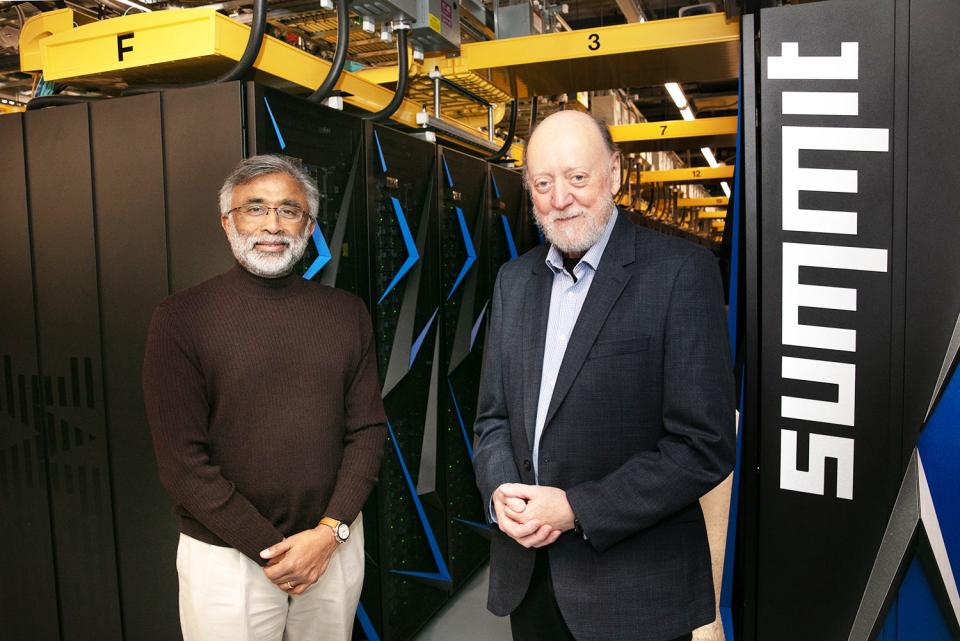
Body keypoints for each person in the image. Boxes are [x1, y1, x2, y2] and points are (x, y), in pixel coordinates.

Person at [473, 110, 736, 641]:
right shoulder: (513, 281)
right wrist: (501, 490)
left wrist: (576, 508)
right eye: (543, 183)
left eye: (577, 177)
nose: (560, 198)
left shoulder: (680, 273)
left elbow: (703, 445)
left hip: (633, 591)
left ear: (614, 173)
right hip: (533, 580)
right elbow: (493, 418)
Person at [142, 154, 386, 641]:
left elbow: (368, 430)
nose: (272, 225)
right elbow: (182, 463)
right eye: (255, 208)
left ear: (309, 225)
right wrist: (271, 550)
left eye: (288, 210)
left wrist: (329, 533)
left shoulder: (345, 313)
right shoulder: (181, 318)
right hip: (226, 562)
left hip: (330, 547)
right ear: (226, 221)